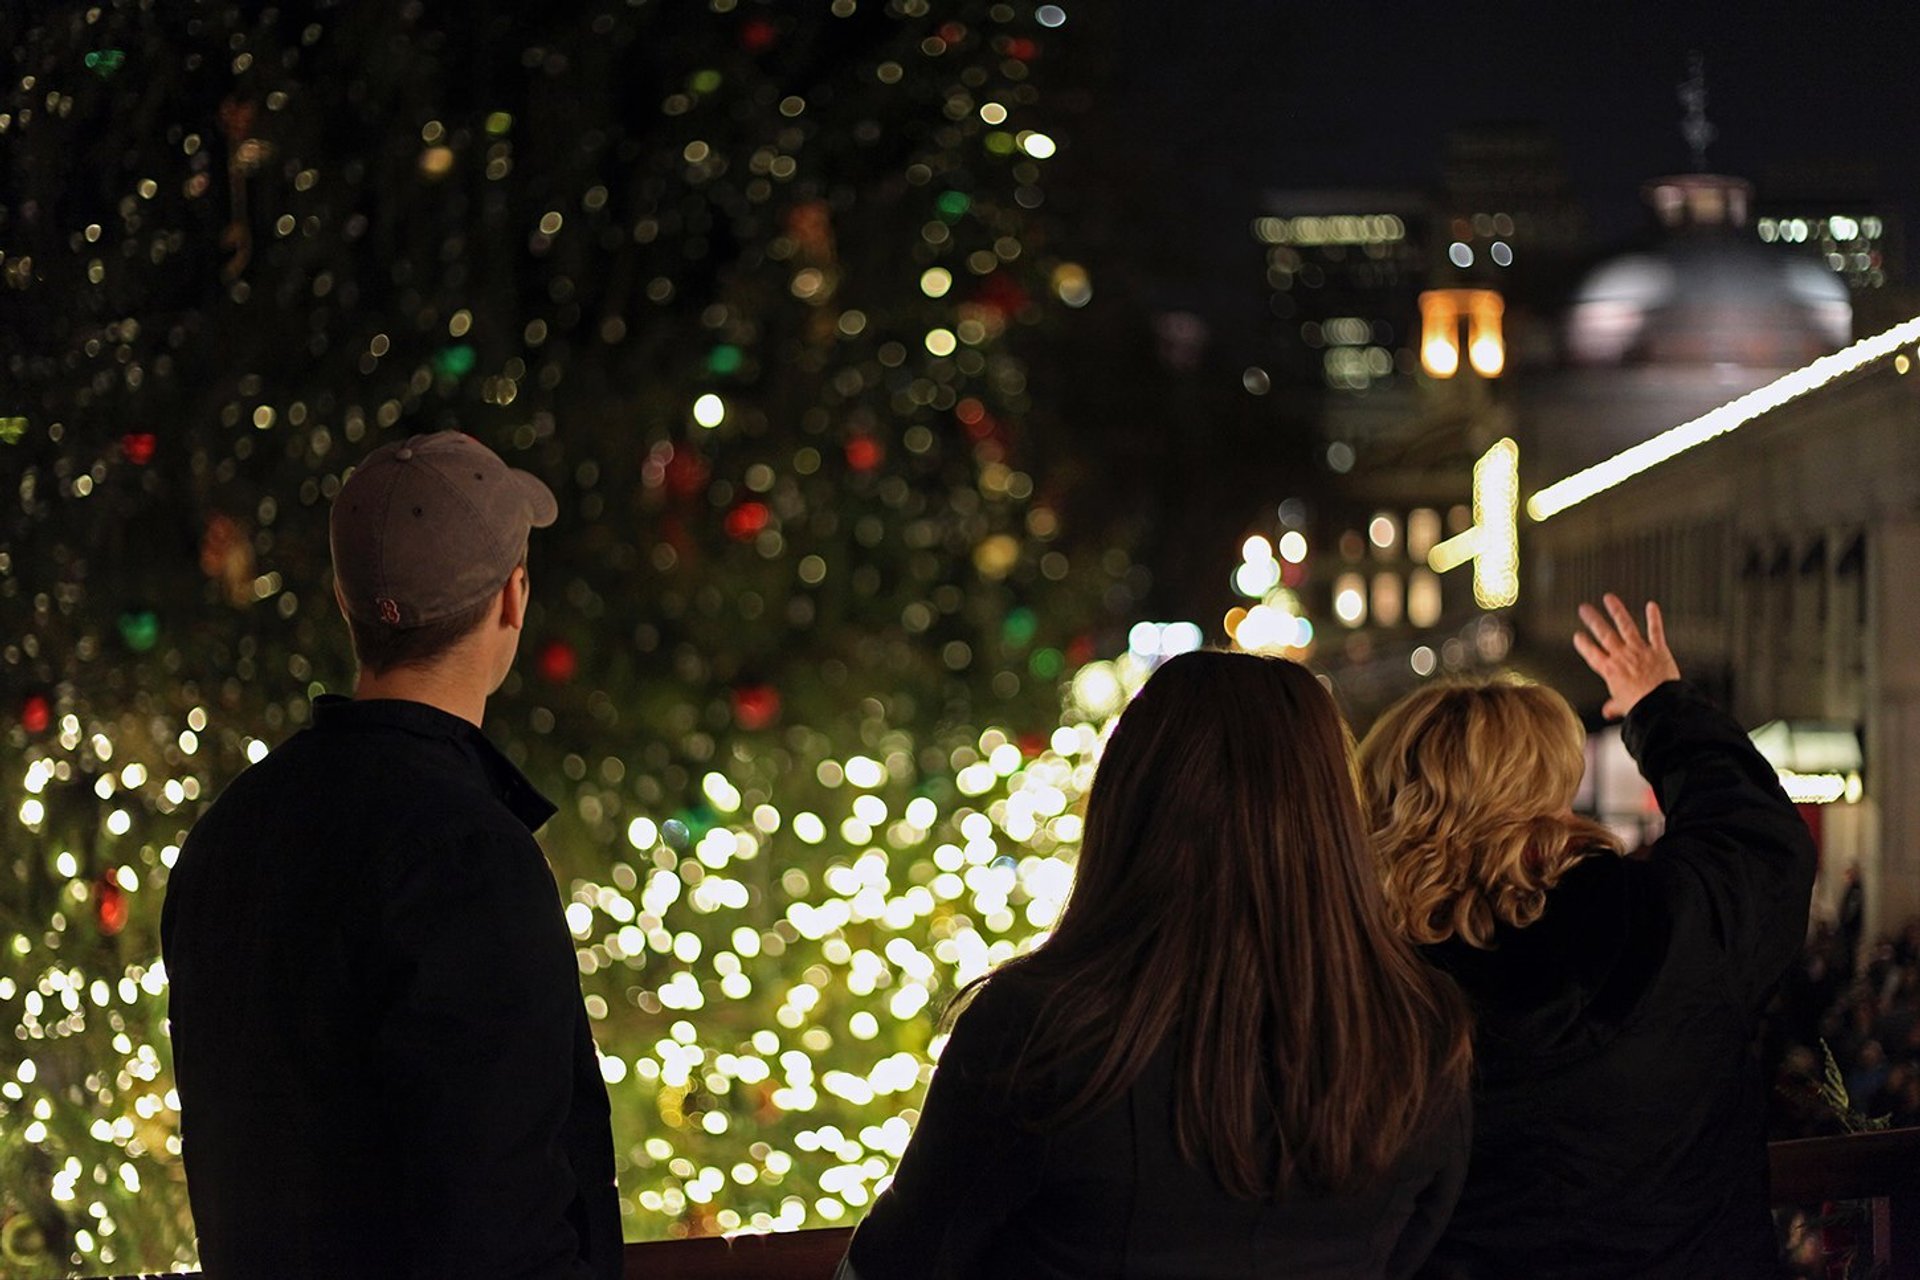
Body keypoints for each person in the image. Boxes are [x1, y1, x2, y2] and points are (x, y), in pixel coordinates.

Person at [839, 650, 1475, 1279]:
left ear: (1129, 803)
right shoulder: (1420, 1027)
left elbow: (897, 1261)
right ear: (1332, 813)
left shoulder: (1039, 1028)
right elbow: (1415, 1246)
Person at [161, 431, 620, 1279]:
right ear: (513, 599)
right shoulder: (470, 857)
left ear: (346, 600)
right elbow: (502, 1222)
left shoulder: (229, 834)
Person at [1356, 595, 1816, 1280]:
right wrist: (1661, 704)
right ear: (1549, 789)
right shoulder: (1667, 927)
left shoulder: (1364, 986)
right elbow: (1759, 836)